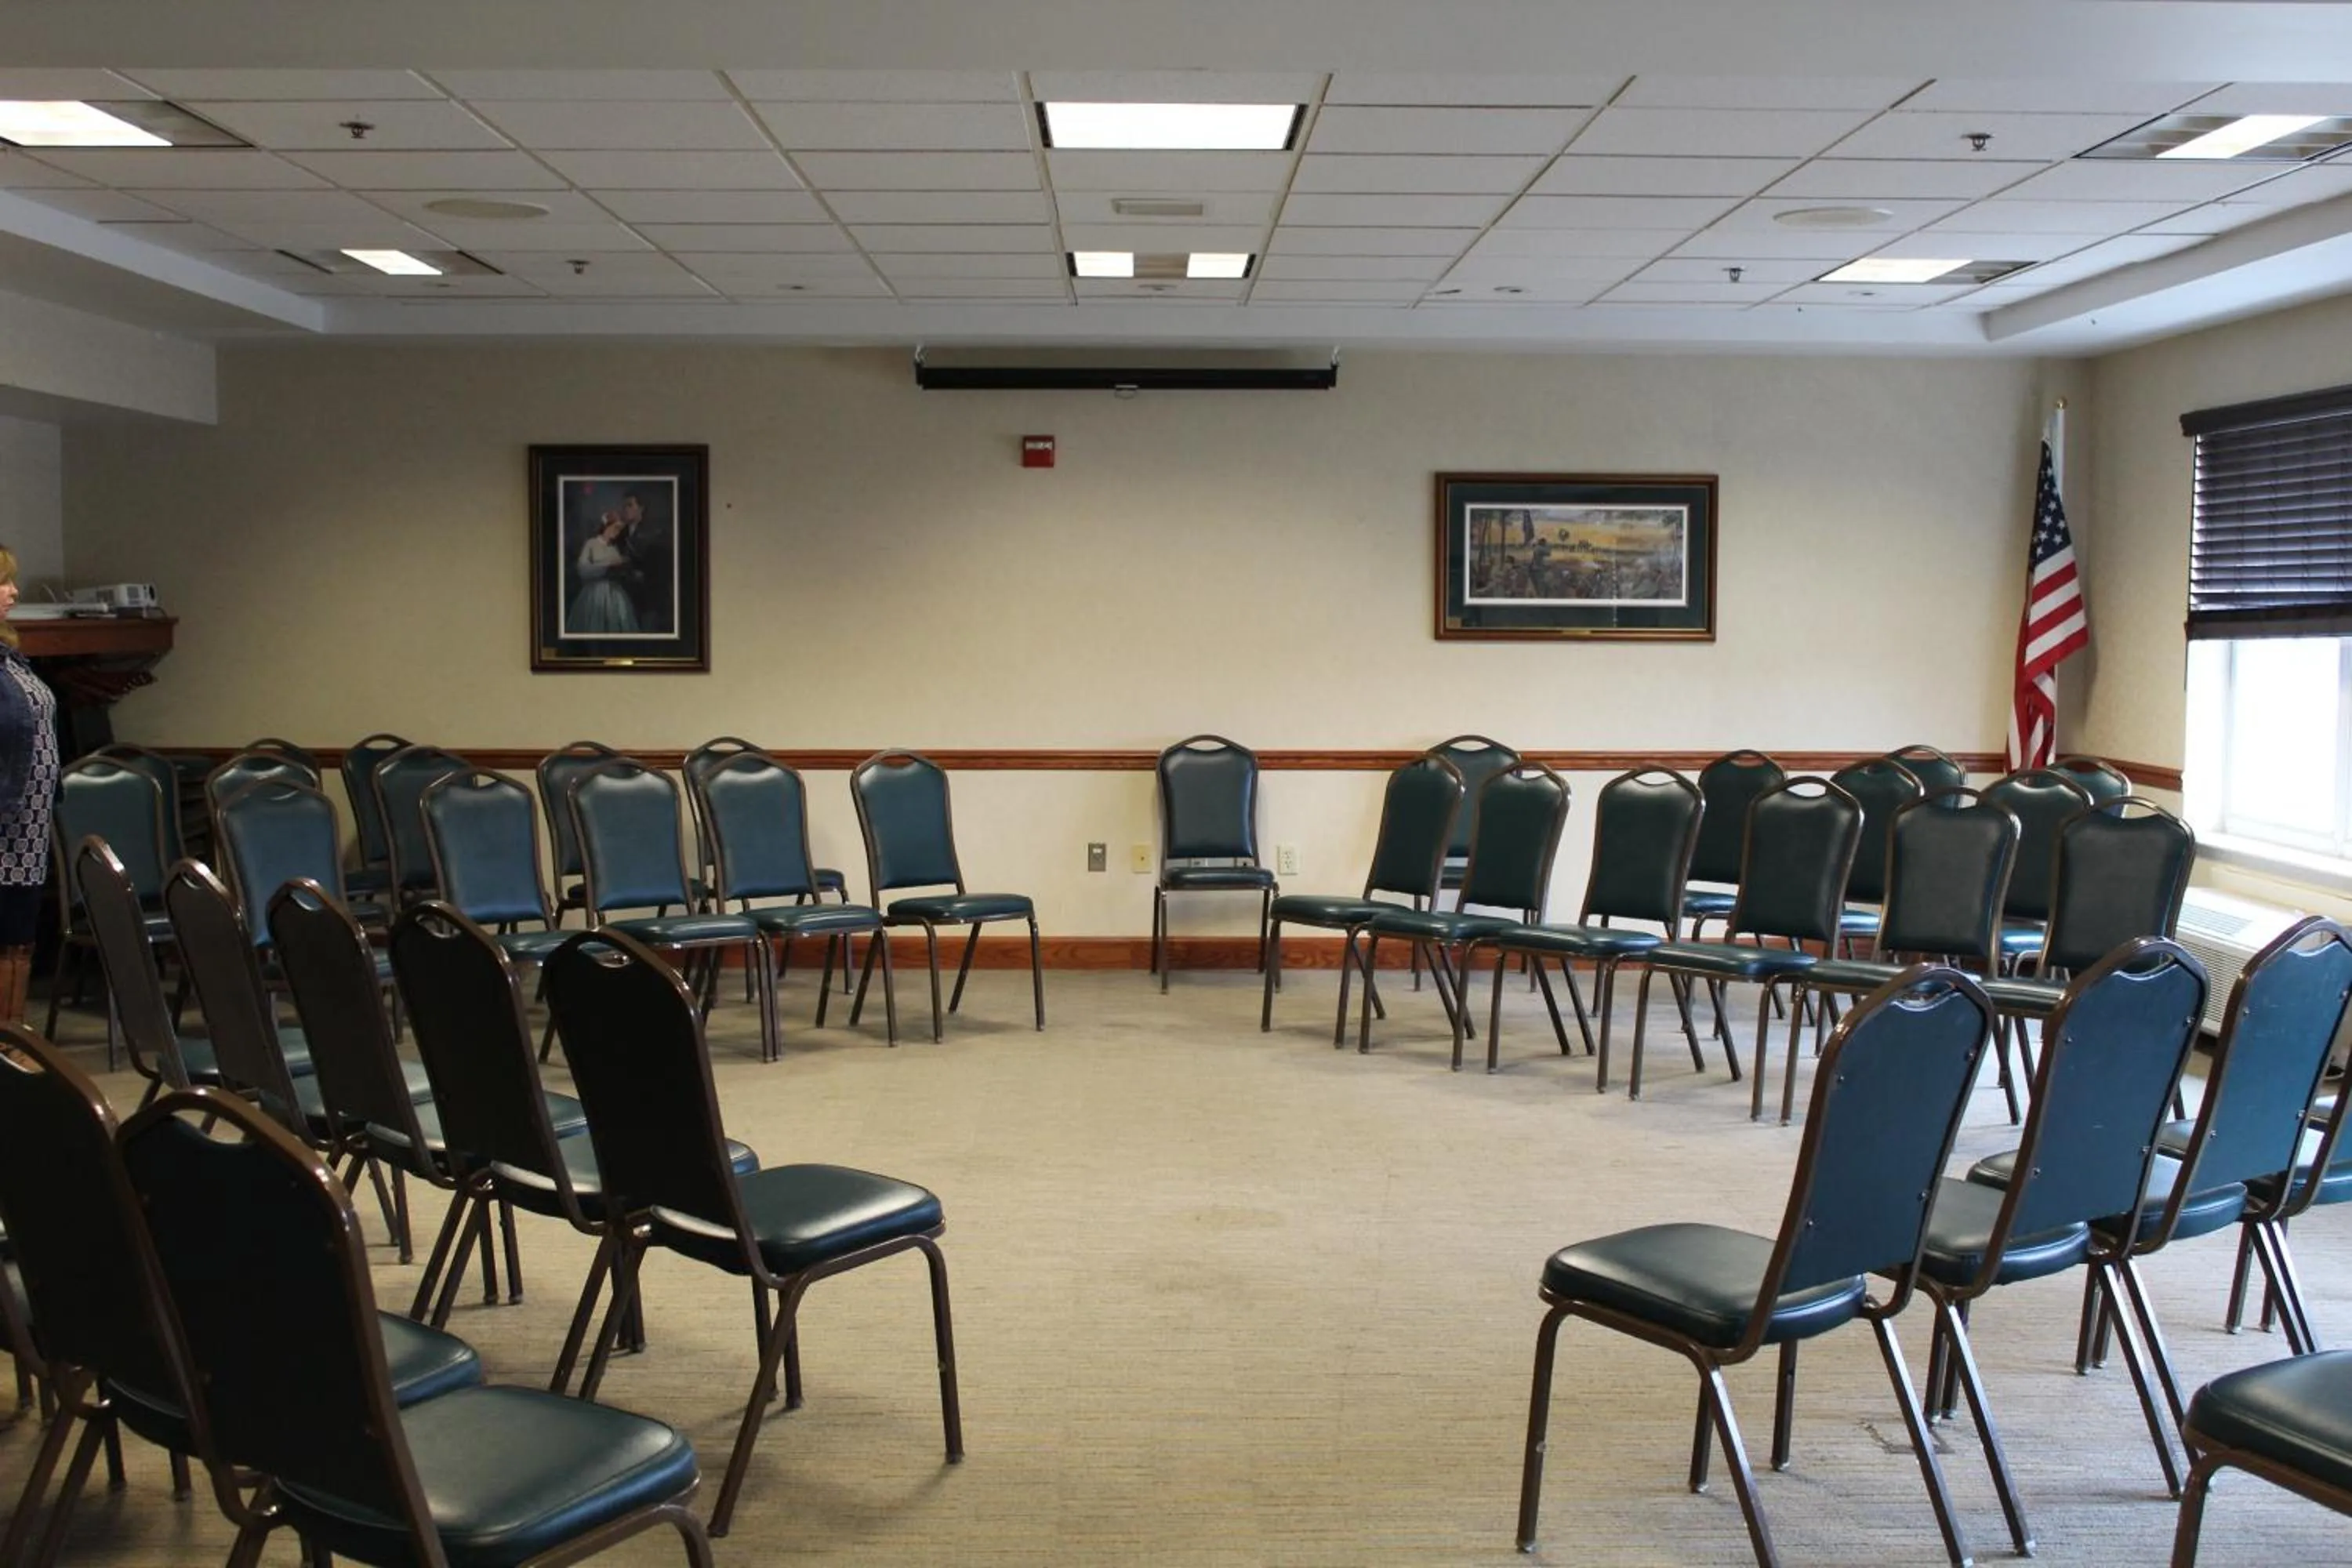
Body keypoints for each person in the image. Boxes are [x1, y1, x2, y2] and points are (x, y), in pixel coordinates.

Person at [0, 545, 57, 1026]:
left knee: (19, 930)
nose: (14, 591)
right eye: (4, 582)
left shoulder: (11, 657)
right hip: (4, 820)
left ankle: (12, 1033)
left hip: (28, 827)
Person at [566, 509, 642, 635]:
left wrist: (624, 570)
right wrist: (607, 567)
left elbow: (621, 570)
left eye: (619, 529)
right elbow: (582, 568)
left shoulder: (614, 549)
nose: (617, 532)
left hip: (615, 593)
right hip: (594, 593)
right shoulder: (591, 544)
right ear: (606, 526)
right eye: (615, 528)